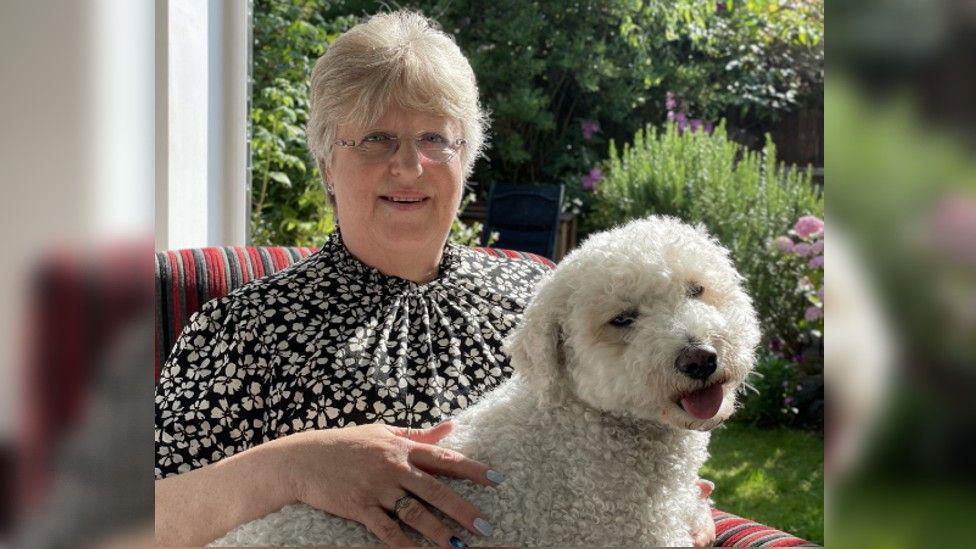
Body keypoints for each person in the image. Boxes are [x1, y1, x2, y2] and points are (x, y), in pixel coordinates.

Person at [154, 10, 715, 547]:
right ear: (326, 161)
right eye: (375, 139)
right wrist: (294, 467)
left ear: (466, 158)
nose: (409, 166)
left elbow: (641, 427)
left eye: (435, 139)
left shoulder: (540, 300)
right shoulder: (242, 328)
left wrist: (682, 508)